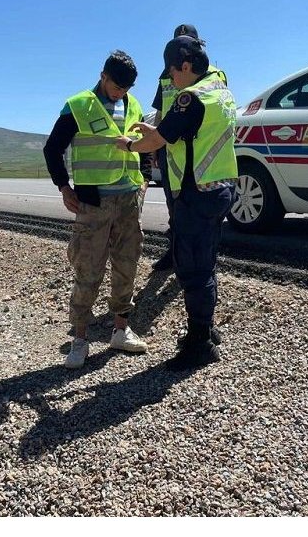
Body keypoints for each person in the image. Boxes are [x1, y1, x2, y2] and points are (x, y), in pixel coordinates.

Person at [116, 36, 237, 370]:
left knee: (192, 272)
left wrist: (127, 145)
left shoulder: (190, 99)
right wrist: (155, 130)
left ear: (186, 65)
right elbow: (179, 132)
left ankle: (199, 345)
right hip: (220, 188)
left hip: (195, 194)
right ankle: (207, 331)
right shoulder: (220, 90)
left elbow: (156, 140)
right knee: (207, 263)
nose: (169, 77)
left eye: (172, 70)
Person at [43, 50, 150, 369]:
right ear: (103, 76)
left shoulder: (133, 104)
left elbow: (141, 142)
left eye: (127, 88)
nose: (122, 93)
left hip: (129, 198)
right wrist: (63, 186)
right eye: (118, 87)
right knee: (88, 268)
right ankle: (79, 339)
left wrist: (143, 176)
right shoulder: (78, 105)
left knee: (127, 264)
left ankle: (120, 330)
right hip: (93, 201)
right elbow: (53, 148)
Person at [148, 24, 228, 272]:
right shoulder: (166, 74)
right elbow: (161, 112)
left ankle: (204, 261)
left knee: (203, 211)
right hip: (168, 145)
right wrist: (155, 148)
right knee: (175, 208)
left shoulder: (215, 74)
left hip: (200, 148)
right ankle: (175, 255)